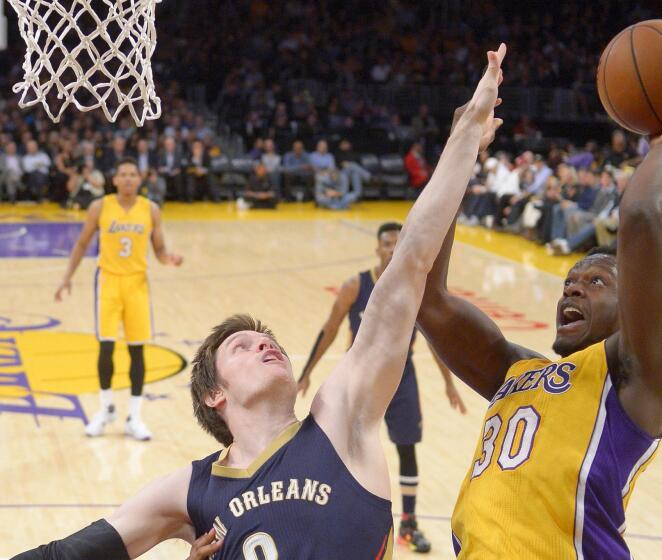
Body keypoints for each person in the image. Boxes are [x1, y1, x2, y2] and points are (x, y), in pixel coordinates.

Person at [14, 44, 506, 560]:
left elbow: (408, 264)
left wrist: (466, 134)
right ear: (214, 396)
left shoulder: (340, 419)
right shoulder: (189, 491)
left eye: (266, 338)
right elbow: (65, 556)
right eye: (243, 347)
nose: (265, 343)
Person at [415, 83, 662, 558]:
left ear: (633, 304)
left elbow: (640, 219)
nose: (573, 288)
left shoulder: (638, 378)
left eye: (597, 282)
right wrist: (460, 151)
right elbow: (425, 297)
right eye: (569, 283)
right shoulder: (516, 371)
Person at [297, 222, 467, 553]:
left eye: (397, 243)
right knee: (342, 448)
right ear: (377, 248)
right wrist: (306, 373)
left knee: (407, 448)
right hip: (359, 378)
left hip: (402, 377)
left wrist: (449, 383)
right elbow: (329, 329)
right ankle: (332, 517)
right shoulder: (355, 285)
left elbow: (434, 341)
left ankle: (408, 524)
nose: (392, 249)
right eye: (387, 243)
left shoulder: (415, 288)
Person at [54, 158, 183, 441]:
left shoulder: (151, 210)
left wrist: (169, 259)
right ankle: (106, 409)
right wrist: (67, 278)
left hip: (137, 285)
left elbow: (159, 249)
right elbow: (82, 243)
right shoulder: (100, 206)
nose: (127, 179)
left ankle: (134, 417)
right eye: (122, 174)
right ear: (114, 180)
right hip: (108, 283)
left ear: (140, 179)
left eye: (132, 174)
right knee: (106, 348)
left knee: (137, 351)